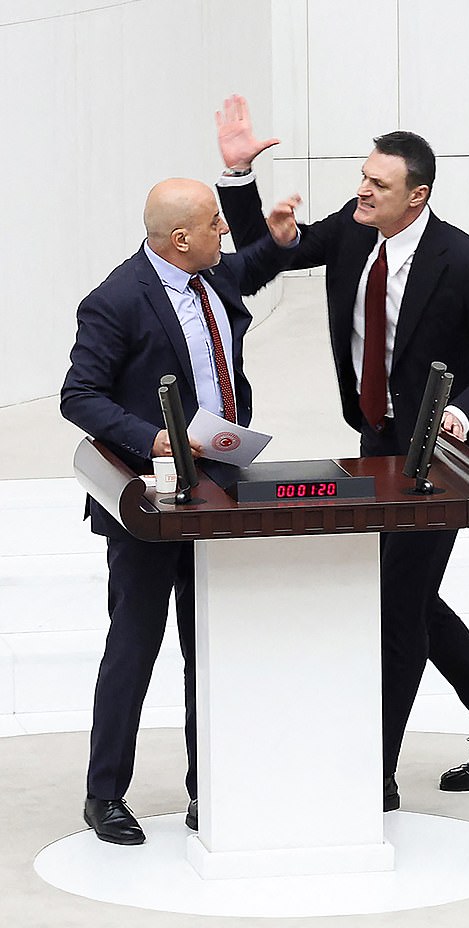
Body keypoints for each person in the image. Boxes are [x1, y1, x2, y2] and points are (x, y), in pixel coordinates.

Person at [214, 95, 469, 808]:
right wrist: (241, 183)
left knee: (394, 604)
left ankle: (376, 772)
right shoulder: (354, 229)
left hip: (442, 453)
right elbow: (274, 253)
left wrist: (462, 412)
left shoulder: (466, 261)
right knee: (407, 592)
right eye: (363, 177)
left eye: (380, 184)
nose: (364, 191)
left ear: (417, 195)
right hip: (377, 442)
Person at [60, 177, 298, 844]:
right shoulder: (115, 300)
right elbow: (79, 394)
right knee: (135, 646)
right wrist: (152, 437)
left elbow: (249, 264)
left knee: (211, 646)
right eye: (215, 223)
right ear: (179, 238)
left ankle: (210, 787)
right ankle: (104, 793)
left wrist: (277, 241)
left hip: (220, 491)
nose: (226, 232)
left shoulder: (210, 274)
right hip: (149, 502)